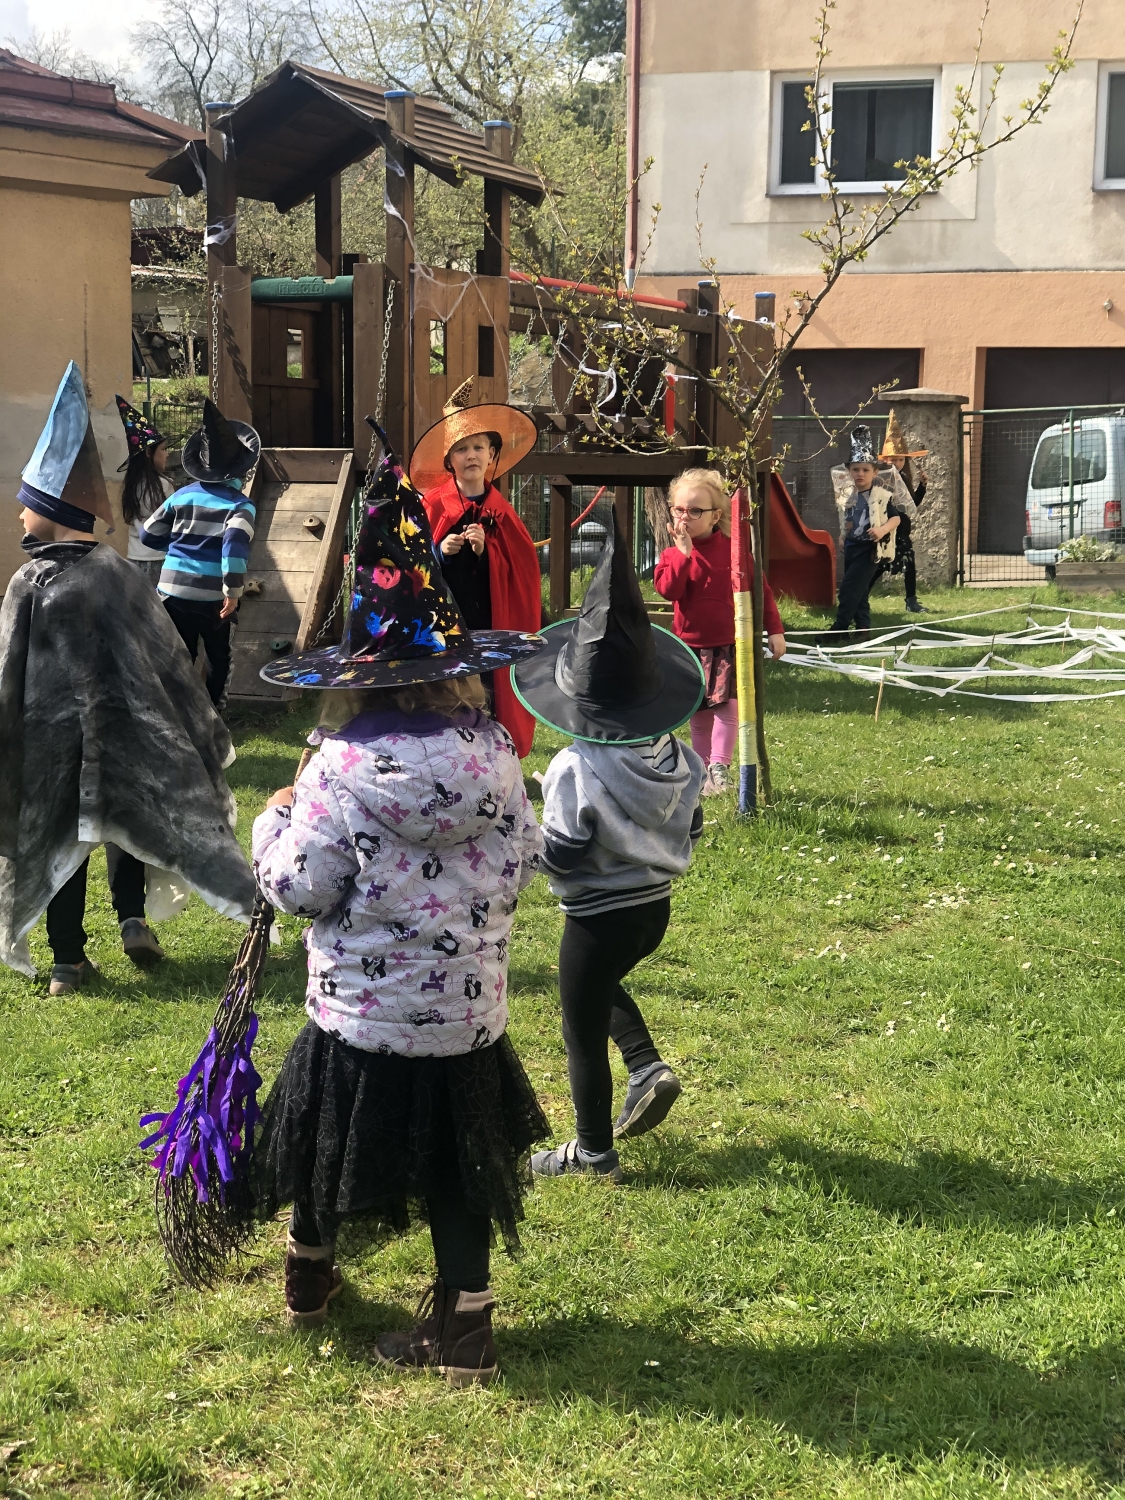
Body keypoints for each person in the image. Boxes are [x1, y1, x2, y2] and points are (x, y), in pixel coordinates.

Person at [248, 444, 548, 1385]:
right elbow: (523, 860)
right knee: (460, 1166)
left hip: (359, 1014)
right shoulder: (495, 756)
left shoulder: (336, 770)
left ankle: (309, 1276)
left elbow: (300, 888)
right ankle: (465, 1332)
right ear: (459, 670)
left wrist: (272, 821)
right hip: (462, 1010)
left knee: (322, 1136)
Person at [0, 363, 256, 994]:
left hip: (52, 744)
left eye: (27, 504)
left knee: (59, 839)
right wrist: (187, 719)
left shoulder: (26, 581)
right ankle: (131, 919)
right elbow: (163, 654)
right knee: (127, 816)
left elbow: (8, 669)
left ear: (52, 510)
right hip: (122, 730)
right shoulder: (112, 573)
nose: (20, 514)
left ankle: (66, 962)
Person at [511, 504, 707, 1182]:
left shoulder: (574, 767)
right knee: (595, 988)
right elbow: (692, 824)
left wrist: (527, 834)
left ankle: (593, 1154)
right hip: (653, 909)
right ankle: (647, 1066)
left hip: (596, 915)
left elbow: (563, 852)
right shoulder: (676, 754)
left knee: (580, 1025)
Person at [411, 378, 542, 757]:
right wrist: (440, 551)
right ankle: (446, 754)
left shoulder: (502, 512)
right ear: (449, 459)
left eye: (479, 447)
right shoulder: (433, 505)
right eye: (462, 448)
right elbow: (412, 563)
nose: (471, 455)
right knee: (446, 687)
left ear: (491, 455)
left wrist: (488, 552)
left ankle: (490, 756)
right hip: (445, 620)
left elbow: (521, 573)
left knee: (487, 687)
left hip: (489, 619)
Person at [653, 468, 785, 796]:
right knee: (700, 714)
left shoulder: (735, 552)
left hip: (729, 645)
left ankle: (719, 766)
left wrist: (775, 630)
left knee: (729, 707)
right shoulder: (670, 555)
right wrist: (683, 555)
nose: (685, 517)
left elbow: (761, 592)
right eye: (679, 509)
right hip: (690, 648)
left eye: (695, 510)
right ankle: (701, 771)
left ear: (715, 516)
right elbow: (669, 590)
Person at [139, 399, 258, 708]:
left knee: (179, 655)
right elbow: (233, 549)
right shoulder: (240, 505)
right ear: (241, 471)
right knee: (218, 657)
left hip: (172, 592)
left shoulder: (181, 495)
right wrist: (233, 591)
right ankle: (214, 713)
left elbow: (148, 533)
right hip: (212, 597)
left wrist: (176, 549)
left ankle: (178, 711)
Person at [824, 425, 912, 640]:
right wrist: (842, 536)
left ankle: (840, 628)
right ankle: (863, 628)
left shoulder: (881, 495)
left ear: (875, 472)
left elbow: (896, 518)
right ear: (849, 471)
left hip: (870, 550)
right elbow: (847, 520)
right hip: (852, 548)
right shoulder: (848, 495)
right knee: (860, 591)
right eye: (855, 469)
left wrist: (882, 530)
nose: (860, 474)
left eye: (865, 470)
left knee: (848, 589)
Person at [115, 395, 173, 586]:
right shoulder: (164, 485)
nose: (167, 454)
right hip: (160, 558)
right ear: (149, 452)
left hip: (134, 558)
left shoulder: (131, 485)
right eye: (163, 449)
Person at [878, 411, 929, 613]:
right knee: (880, 565)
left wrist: (922, 486)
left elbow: (911, 504)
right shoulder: (880, 480)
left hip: (902, 531)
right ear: (884, 460)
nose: (896, 463)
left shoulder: (905, 478)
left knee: (909, 564)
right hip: (886, 529)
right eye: (892, 459)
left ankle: (911, 601)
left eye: (899, 460)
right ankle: (859, 596)